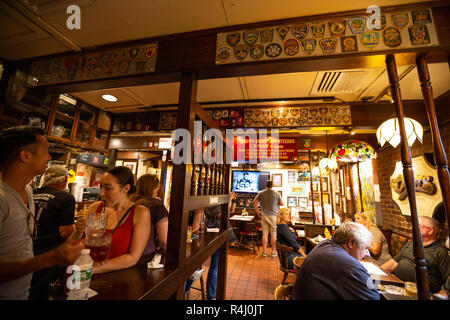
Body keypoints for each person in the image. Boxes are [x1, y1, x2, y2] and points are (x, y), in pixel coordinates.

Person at [0, 126, 84, 300]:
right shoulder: (2, 198)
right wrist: (50, 258)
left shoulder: (29, 191)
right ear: (26, 156)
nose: (49, 156)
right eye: (46, 151)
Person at [82, 166, 150, 275]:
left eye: (108, 188)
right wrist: (77, 231)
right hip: (83, 273)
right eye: (101, 187)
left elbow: (132, 258)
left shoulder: (140, 213)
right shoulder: (95, 207)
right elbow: (80, 243)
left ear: (126, 189)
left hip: (113, 279)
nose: (101, 193)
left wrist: (92, 269)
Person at [291, 222, 380, 300]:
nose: (367, 253)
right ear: (351, 242)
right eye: (365, 248)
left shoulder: (324, 244)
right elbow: (373, 297)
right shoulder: (348, 264)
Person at [29, 165, 76, 300]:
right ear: (65, 179)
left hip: (28, 247)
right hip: (49, 251)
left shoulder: (32, 192)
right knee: (42, 291)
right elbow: (65, 232)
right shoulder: (66, 198)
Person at [381, 216, 450, 297]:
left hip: (419, 294)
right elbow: (393, 263)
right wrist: (376, 274)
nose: (412, 229)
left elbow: (447, 280)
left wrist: (438, 296)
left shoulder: (441, 252)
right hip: (397, 286)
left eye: (417, 226)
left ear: (430, 230)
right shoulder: (411, 244)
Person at [133, 174, 169, 256]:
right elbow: (164, 240)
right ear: (154, 188)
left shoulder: (133, 202)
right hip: (148, 254)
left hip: (133, 253)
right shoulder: (156, 205)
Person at [253, 180, 284, 257]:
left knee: (265, 234)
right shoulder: (277, 193)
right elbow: (282, 203)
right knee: (273, 234)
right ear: (272, 185)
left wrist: (258, 212)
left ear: (266, 185)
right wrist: (275, 203)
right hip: (273, 216)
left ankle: (264, 252)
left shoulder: (261, 193)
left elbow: (254, 202)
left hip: (264, 215)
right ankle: (273, 252)